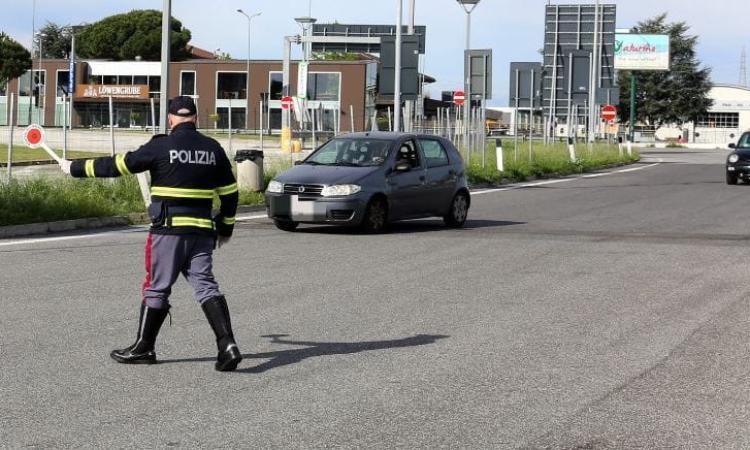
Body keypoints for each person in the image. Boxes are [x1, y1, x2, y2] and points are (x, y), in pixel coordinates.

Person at [61, 96, 242, 372]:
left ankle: (143, 348)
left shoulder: (161, 146)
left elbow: (119, 165)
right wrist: (226, 228)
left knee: (156, 287)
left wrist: (74, 168)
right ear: (195, 118)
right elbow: (230, 195)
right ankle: (227, 345)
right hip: (202, 233)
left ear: (170, 119)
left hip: (168, 232)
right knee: (206, 287)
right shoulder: (213, 148)